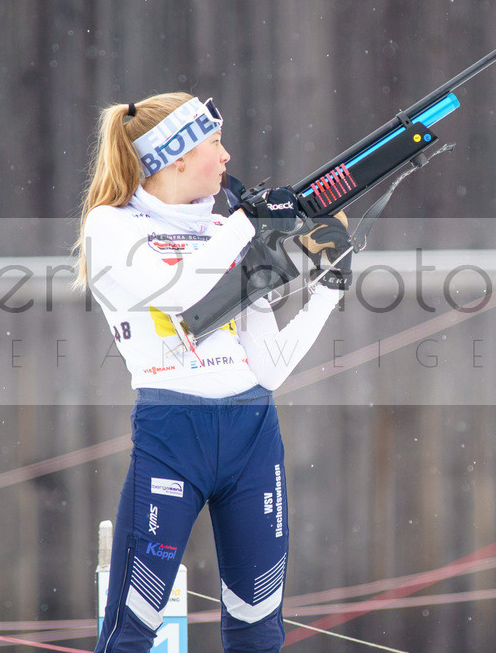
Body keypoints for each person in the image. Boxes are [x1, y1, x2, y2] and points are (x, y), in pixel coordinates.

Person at [73, 92, 352, 652]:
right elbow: (177, 292)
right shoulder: (112, 227)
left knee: (259, 629)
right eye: (214, 143)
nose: (226, 157)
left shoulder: (223, 227)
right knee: (131, 631)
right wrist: (248, 225)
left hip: (253, 436)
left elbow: (268, 368)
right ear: (175, 157)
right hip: (174, 436)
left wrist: (330, 284)